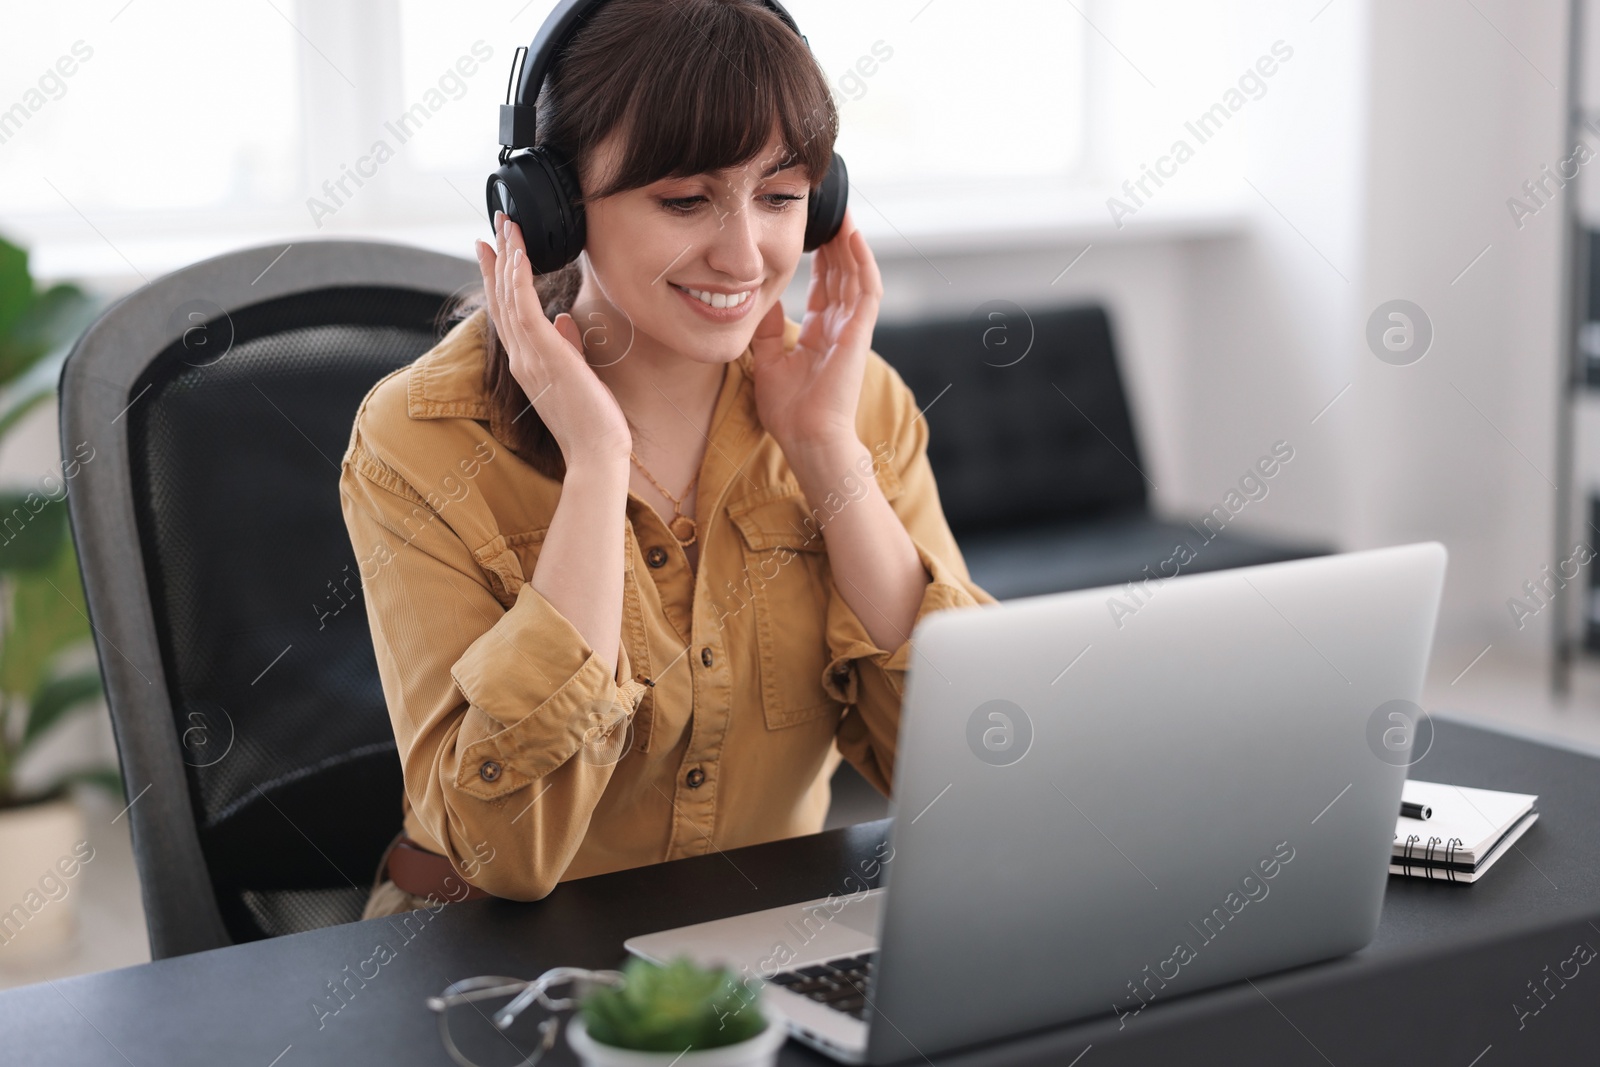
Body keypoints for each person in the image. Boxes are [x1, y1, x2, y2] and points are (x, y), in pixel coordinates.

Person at [339, 0, 995, 919]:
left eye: (779, 196)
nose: (743, 255)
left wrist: (821, 450)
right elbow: (504, 852)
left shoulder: (856, 405)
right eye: (685, 200)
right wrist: (598, 463)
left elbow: (971, 770)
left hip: (755, 954)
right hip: (492, 965)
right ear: (551, 206)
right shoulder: (420, 437)